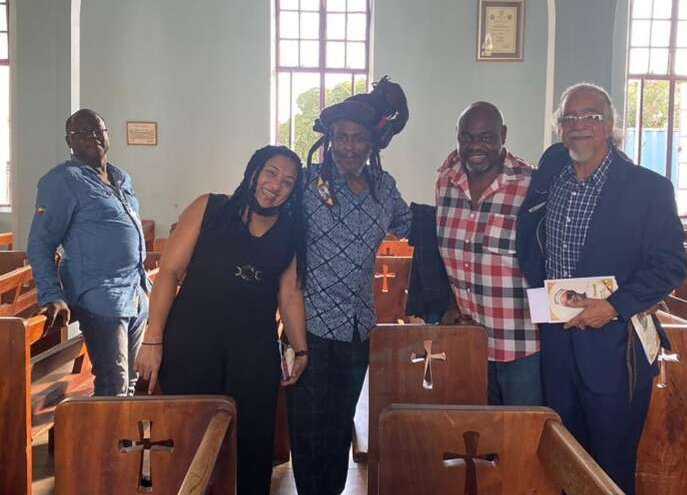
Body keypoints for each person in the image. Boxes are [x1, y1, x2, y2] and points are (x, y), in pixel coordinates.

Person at [516, 83, 687, 494]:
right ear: (559, 127)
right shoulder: (551, 177)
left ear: (610, 125)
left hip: (615, 350)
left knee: (609, 468)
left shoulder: (648, 188)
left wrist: (612, 307)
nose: (579, 126)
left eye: (590, 116)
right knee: (562, 461)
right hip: (557, 346)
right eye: (569, 118)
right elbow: (528, 236)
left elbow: (670, 265)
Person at [134, 145, 309, 495]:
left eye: (288, 182)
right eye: (271, 172)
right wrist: (153, 339)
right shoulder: (210, 208)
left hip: (253, 350)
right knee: (189, 436)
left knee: (253, 440)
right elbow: (168, 272)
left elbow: (289, 294)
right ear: (255, 171)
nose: (276, 185)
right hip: (191, 344)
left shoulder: (290, 231)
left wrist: (301, 350)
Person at [287, 77, 412, 495]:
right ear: (328, 140)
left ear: (372, 144)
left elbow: (411, 226)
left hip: (359, 328)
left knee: (340, 422)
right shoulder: (306, 185)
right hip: (310, 326)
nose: (348, 147)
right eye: (340, 137)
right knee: (307, 425)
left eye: (358, 138)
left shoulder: (384, 189)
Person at [27, 108, 149, 397]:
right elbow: (40, 243)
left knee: (132, 382)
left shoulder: (121, 178)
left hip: (135, 292)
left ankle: (124, 442)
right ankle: (104, 443)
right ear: (69, 140)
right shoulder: (62, 181)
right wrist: (51, 295)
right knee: (113, 385)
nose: (90, 136)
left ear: (107, 136)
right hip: (101, 298)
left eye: (96, 130)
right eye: (80, 132)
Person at [435, 102, 542, 406]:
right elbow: (444, 254)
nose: (475, 146)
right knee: (474, 443)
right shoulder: (445, 181)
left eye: (486, 137)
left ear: (503, 135)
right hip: (467, 342)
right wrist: (446, 304)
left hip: (520, 345)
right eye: (467, 138)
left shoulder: (530, 184)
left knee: (522, 441)